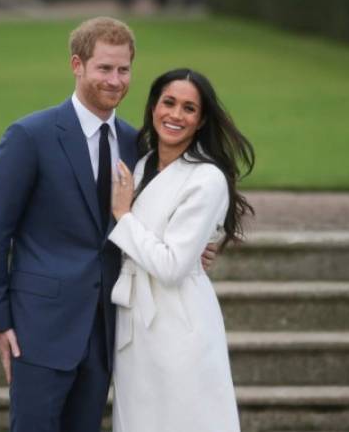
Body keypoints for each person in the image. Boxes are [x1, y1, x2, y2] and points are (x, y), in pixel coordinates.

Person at [0, 18, 216, 432]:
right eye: (104, 68)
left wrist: (189, 247)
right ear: (77, 65)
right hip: (39, 328)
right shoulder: (30, 136)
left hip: (107, 329)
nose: (115, 80)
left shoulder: (136, 143)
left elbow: (144, 220)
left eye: (123, 69)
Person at [108, 68, 255, 432]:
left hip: (179, 322)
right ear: (153, 106)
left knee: (186, 419)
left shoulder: (206, 179)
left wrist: (123, 216)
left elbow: (173, 265)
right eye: (169, 103)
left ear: (201, 119)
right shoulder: (142, 165)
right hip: (134, 321)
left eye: (189, 108)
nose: (176, 115)